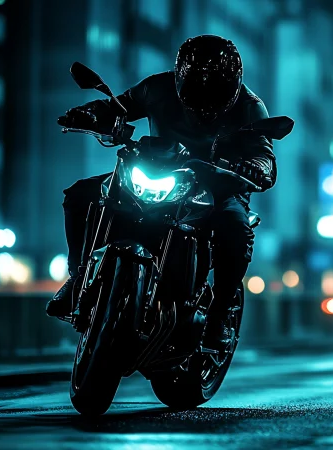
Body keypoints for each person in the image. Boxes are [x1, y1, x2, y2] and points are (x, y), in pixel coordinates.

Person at [45, 35, 276, 346]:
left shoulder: (250, 108)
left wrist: (254, 167)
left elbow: (264, 154)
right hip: (160, 172)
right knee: (79, 195)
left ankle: (218, 317)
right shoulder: (157, 87)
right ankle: (78, 277)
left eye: (215, 86)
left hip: (217, 186)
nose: (205, 93)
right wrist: (91, 113)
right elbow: (120, 105)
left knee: (236, 229)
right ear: (181, 76)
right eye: (196, 83)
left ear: (234, 82)